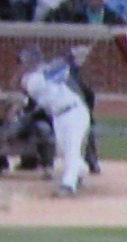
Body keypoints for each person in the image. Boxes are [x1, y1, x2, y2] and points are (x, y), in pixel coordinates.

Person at [18, 43, 95, 195]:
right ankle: (80, 170)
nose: (24, 64)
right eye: (23, 61)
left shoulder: (47, 69)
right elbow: (50, 72)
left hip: (75, 111)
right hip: (58, 117)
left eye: (27, 60)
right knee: (62, 151)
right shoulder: (29, 81)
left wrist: (75, 60)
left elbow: (64, 70)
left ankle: (68, 185)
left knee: (72, 148)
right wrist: (70, 56)